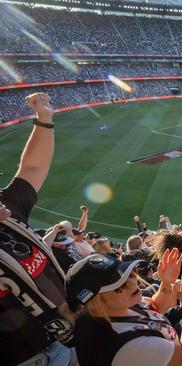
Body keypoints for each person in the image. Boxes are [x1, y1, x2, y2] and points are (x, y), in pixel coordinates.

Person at [0, 93, 78, 366]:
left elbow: (32, 168)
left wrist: (44, 120)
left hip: (66, 332)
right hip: (27, 357)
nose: (4, 207)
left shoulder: (7, 216)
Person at [66, 249, 182, 366]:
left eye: (130, 274)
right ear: (96, 302)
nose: (133, 284)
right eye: (120, 286)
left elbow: (154, 307)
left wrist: (166, 283)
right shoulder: (124, 344)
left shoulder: (118, 306)